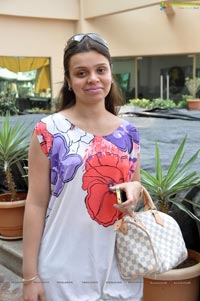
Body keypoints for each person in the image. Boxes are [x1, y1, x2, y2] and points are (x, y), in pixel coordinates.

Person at [23, 33, 143, 301]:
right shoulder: (48, 131)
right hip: (63, 271)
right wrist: (30, 277)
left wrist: (134, 189)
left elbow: (133, 190)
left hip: (119, 269)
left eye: (100, 69)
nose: (92, 78)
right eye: (81, 72)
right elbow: (35, 204)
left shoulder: (130, 133)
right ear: (69, 80)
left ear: (111, 73)